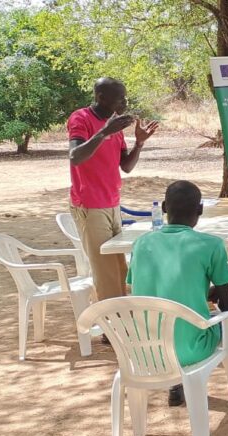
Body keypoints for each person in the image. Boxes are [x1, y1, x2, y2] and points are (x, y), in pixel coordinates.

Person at [127, 181, 228, 406]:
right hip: (192, 349)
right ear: (199, 210)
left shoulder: (140, 244)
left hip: (146, 353)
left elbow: (145, 291)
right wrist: (219, 292)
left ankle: (176, 386)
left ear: (163, 208)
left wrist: (198, 292)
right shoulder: (211, 245)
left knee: (169, 315)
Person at [67, 78, 160, 311]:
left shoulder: (116, 127)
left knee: (119, 265)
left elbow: (126, 166)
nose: (125, 102)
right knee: (105, 269)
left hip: (111, 203)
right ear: (101, 98)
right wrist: (104, 132)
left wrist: (139, 143)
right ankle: (112, 324)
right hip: (89, 204)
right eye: (120, 98)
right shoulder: (81, 118)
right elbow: (75, 156)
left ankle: (121, 315)